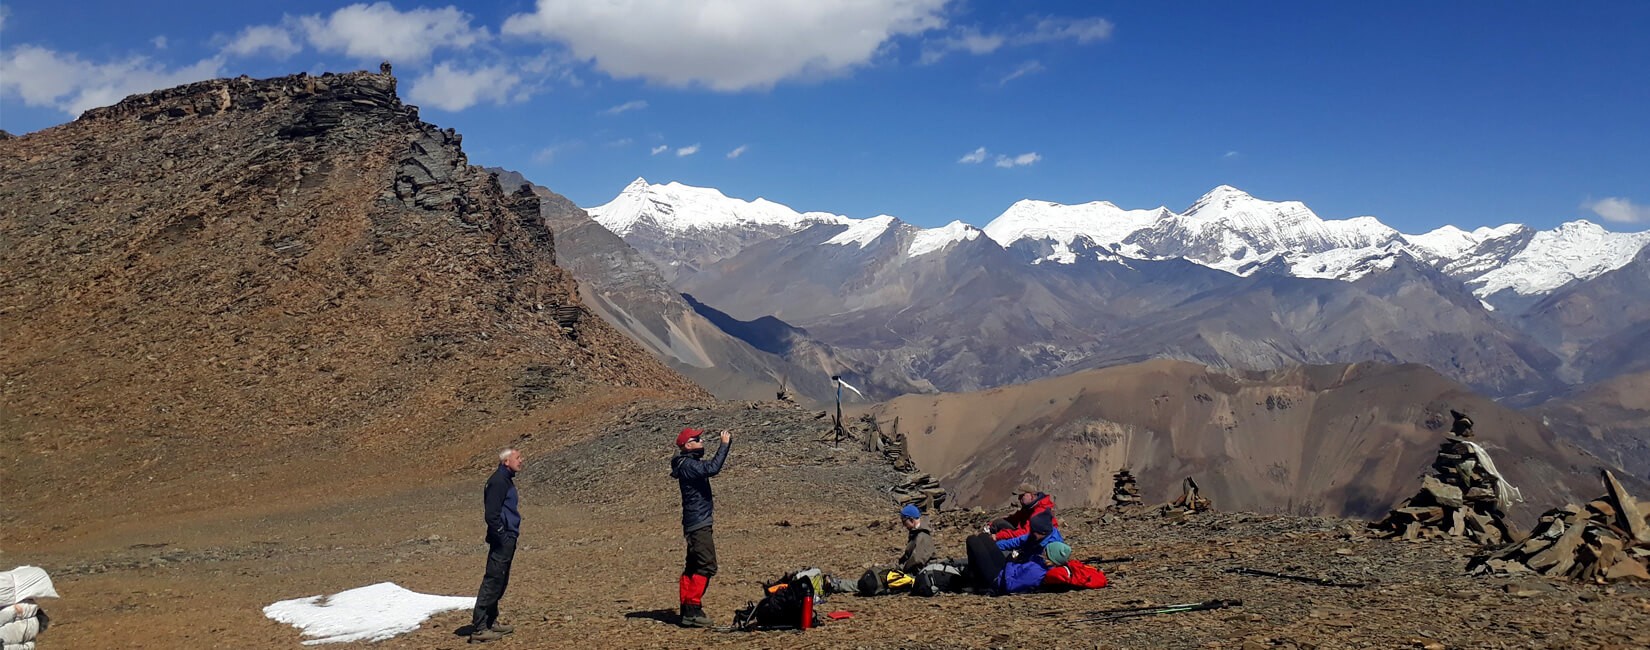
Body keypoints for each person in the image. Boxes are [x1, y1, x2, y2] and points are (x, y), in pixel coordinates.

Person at [672, 427, 732, 628]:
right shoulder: (689, 465)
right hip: (698, 524)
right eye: (697, 439)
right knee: (707, 565)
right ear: (688, 445)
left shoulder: (686, 464)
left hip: (694, 522)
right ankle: (692, 609)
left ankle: (687, 608)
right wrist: (724, 445)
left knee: (693, 566)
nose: (701, 441)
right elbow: (712, 468)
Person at [470, 449, 522, 643]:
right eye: (518, 458)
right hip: (503, 538)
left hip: (508, 536)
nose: (521, 461)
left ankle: (490, 622)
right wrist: (502, 535)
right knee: (493, 580)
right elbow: (491, 514)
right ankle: (480, 627)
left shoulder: (505, 479)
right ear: (506, 461)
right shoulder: (498, 481)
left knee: (500, 580)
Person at [991, 483, 1059, 541]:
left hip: (1038, 540)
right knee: (999, 523)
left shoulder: (1040, 511)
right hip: (1028, 535)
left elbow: (1025, 533)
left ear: (1031, 496)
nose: (1019, 499)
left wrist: (998, 536)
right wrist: (991, 525)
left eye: (1021, 496)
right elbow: (1014, 519)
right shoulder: (1029, 507)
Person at [1040, 542, 1109, 591]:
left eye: (1045, 555)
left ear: (1052, 558)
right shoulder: (1074, 566)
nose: (1043, 557)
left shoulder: (1055, 572)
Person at [897, 504, 936, 574]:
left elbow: (916, 560)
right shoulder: (916, 534)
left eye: (904, 522)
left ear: (911, 520)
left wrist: (901, 570)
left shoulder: (922, 536)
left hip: (924, 575)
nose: (904, 526)